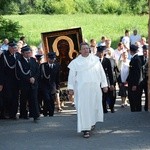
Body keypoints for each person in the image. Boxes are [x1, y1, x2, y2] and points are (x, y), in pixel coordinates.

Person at [67, 42, 108, 138]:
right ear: (80, 51)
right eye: (84, 49)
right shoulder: (75, 63)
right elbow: (71, 76)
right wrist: (70, 88)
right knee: (84, 109)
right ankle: (85, 129)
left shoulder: (95, 60)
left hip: (94, 89)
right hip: (82, 90)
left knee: (93, 107)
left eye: (87, 48)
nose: (86, 50)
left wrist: (104, 85)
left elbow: (101, 73)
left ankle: (91, 123)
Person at [16, 45, 40, 121]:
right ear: (22, 53)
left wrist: (34, 78)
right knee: (24, 99)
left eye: (29, 53)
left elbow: (37, 71)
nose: (28, 54)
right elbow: (19, 73)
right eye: (26, 53)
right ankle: (23, 114)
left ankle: (35, 114)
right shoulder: (19, 62)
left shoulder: (33, 60)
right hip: (24, 84)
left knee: (34, 99)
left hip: (33, 83)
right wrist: (28, 79)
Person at [0, 41, 21, 119]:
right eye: (13, 48)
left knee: (15, 97)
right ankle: (6, 112)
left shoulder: (18, 55)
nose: (15, 49)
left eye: (16, 47)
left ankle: (13, 114)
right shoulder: (4, 56)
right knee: (8, 97)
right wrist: (1, 83)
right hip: (7, 80)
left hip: (16, 80)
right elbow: (1, 70)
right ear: (9, 48)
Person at [39, 52, 60, 117]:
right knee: (46, 98)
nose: (52, 60)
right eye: (51, 59)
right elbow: (40, 76)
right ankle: (46, 111)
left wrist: (57, 87)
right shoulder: (43, 65)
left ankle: (51, 113)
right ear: (48, 59)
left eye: (53, 59)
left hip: (52, 85)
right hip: (44, 85)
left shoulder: (57, 65)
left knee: (51, 99)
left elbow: (57, 77)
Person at [96, 46, 115, 113]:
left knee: (110, 95)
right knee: (102, 96)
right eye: (99, 52)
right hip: (98, 81)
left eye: (101, 52)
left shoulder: (107, 61)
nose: (100, 54)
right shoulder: (95, 61)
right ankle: (104, 109)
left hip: (106, 80)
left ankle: (111, 107)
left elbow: (110, 73)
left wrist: (112, 83)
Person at [126, 45, 142, 112]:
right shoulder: (134, 58)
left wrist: (135, 84)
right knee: (131, 97)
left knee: (135, 98)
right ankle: (134, 109)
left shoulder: (136, 59)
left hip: (134, 83)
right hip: (131, 82)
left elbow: (137, 73)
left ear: (131, 51)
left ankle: (136, 111)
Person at [139, 45, 148, 111]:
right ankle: (139, 108)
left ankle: (146, 107)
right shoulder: (139, 58)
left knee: (147, 95)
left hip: (147, 80)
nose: (145, 52)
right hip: (141, 79)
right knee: (139, 95)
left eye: (146, 51)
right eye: (144, 51)